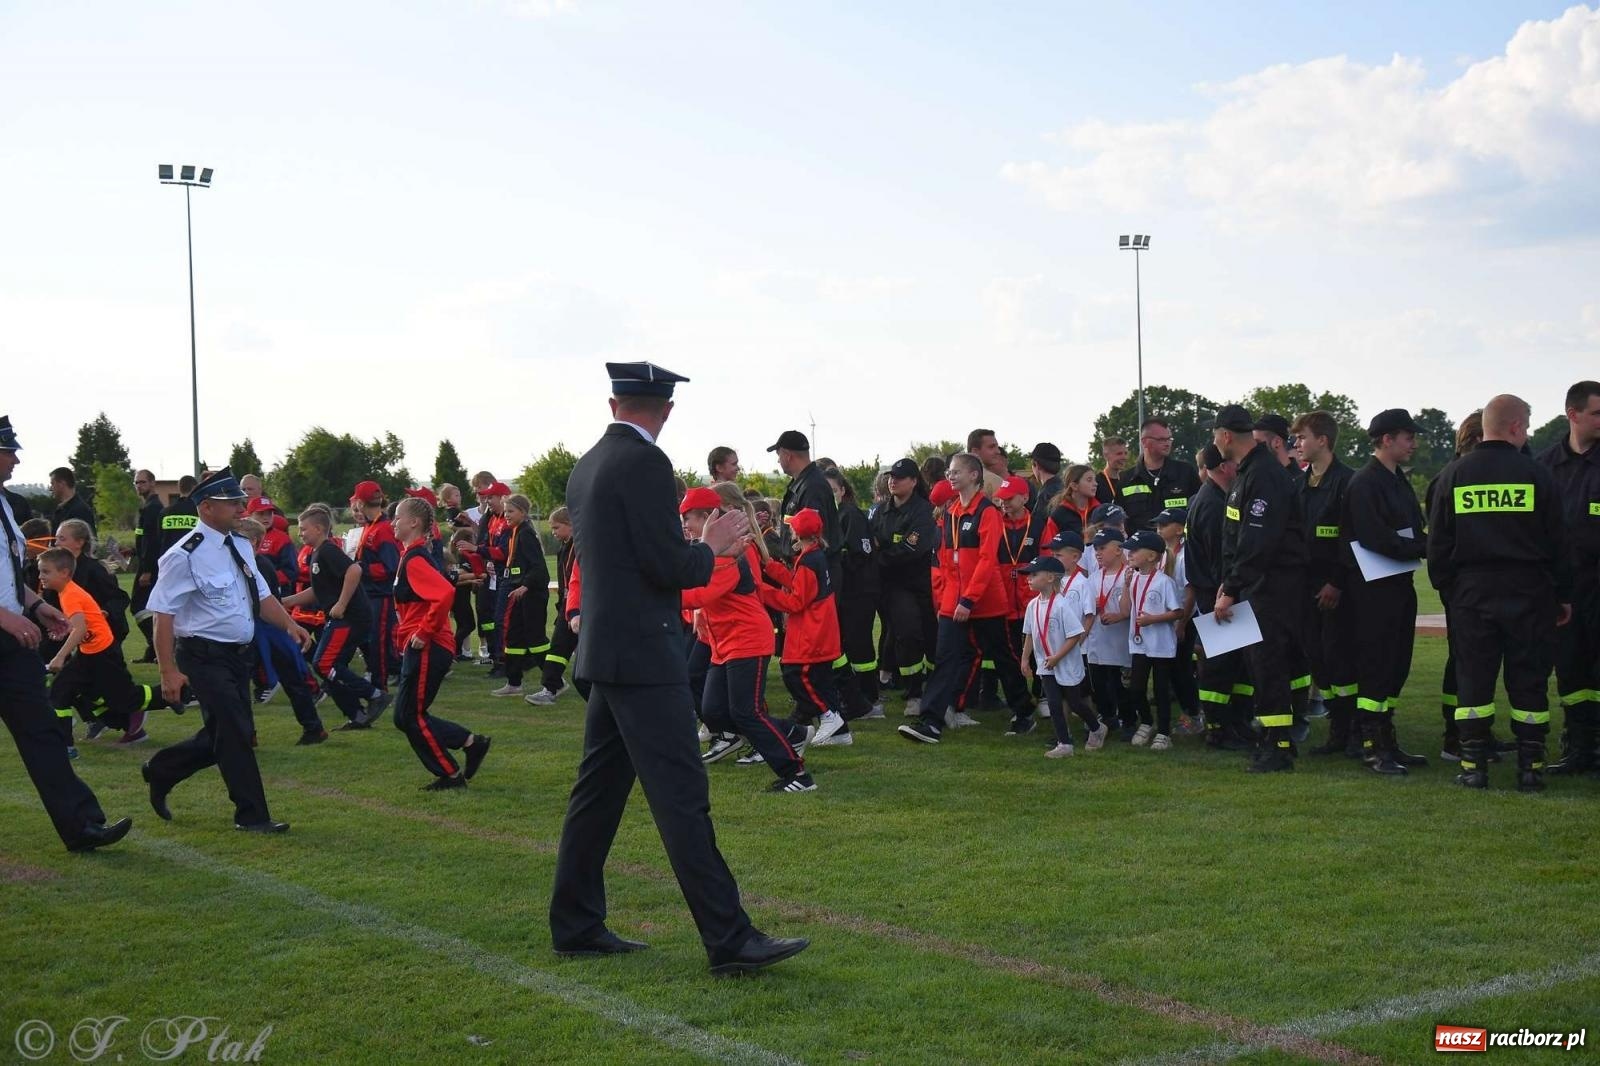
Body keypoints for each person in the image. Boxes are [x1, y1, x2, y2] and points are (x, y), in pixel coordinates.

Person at [549, 362, 808, 976]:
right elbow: (666, 566)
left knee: (597, 795)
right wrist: (712, 548)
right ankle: (729, 938)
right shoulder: (645, 463)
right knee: (682, 798)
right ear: (666, 409)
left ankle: (576, 922)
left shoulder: (587, 465)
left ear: (614, 404)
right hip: (644, 654)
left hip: (609, 652)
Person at [140, 467, 312, 832]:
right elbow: (163, 615)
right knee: (235, 734)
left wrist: (290, 624)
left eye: (240, 501)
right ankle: (252, 816)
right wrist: (168, 671)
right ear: (206, 507)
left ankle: (162, 769)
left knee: (230, 732)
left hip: (237, 656)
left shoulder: (240, 545)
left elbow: (261, 594)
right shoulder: (184, 555)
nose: (240, 509)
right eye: (231, 503)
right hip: (203, 656)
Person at [0, 415, 132, 852]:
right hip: (7, 629)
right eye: (8, 451)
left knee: (43, 732)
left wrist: (37, 607)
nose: (16, 460)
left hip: (12, 642)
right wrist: (7, 617)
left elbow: (7, 575)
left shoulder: (6, 506)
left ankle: (82, 827)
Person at [1427, 394, 1569, 791]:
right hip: (1530, 591)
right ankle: (1530, 767)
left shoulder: (1454, 475)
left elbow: (1438, 545)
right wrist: (1563, 595)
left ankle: (1473, 766)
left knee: (1473, 681)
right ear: (1516, 426)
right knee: (1529, 681)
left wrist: (1451, 591)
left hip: (1472, 593)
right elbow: (1559, 542)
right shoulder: (1538, 474)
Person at [684, 486, 816, 786]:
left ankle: (796, 774)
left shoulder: (730, 556)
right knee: (713, 710)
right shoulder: (710, 553)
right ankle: (793, 733)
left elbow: (696, 595)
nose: (685, 525)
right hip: (723, 645)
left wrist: (653, 595)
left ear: (707, 518)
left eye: (689, 518)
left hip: (747, 641)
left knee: (747, 712)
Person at [898, 453, 1033, 744]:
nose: (951, 475)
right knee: (945, 658)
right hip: (955, 601)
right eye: (949, 471)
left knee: (1003, 657)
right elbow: (947, 561)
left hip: (986, 602)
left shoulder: (988, 512)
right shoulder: (951, 512)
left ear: (974, 475)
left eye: (957, 471)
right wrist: (946, 602)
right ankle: (931, 722)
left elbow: (987, 560)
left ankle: (1023, 711)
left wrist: (969, 599)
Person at [1211, 405, 1309, 774]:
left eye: (1215, 435)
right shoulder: (1248, 473)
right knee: (1259, 666)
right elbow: (1237, 539)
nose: (1214, 442)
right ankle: (1271, 738)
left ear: (1225, 436)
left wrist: (1231, 587)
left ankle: (1279, 747)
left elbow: (1257, 542)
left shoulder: (1264, 475)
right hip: (1255, 585)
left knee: (1270, 665)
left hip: (1271, 588)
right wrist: (1230, 581)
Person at [1342, 409, 1429, 775]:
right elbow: (1374, 537)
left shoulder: (1397, 479)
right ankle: (1372, 746)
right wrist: (1424, 547)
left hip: (1399, 585)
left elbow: (1411, 526)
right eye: (1408, 437)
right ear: (1387, 439)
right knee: (1376, 666)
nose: (1414, 444)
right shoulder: (1365, 482)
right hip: (1373, 592)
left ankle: (1387, 740)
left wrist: (1421, 542)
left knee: (1397, 664)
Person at [390, 495, 492, 789]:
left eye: (398, 517)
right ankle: (470, 743)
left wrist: (423, 633)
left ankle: (450, 773)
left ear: (413, 522)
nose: (393, 522)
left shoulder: (415, 558)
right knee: (405, 716)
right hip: (422, 644)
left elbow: (444, 594)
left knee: (410, 715)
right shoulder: (412, 555)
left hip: (428, 645)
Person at [39, 545, 177, 748]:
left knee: (126, 698)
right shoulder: (67, 592)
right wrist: (65, 630)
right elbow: (85, 622)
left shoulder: (70, 595)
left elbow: (81, 628)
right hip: (90, 653)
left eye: (45, 571)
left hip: (103, 653)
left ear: (64, 572)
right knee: (62, 692)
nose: (40, 576)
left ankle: (179, 692)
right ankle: (65, 745)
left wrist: (60, 656)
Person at [1536, 380, 1600, 775]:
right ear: (1572, 415)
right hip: (1564, 592)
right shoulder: (1544, 468)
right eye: (1597, 413)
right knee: (1572, 671)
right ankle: (1579, 747)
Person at [282, 508, 390, 730]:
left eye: (303, 529)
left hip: (350, 618)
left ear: (319, 528)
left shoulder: (328, 550)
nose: (299, 533)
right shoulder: (316, 553)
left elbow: (354, 571)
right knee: (330, 666)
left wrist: (341, 603)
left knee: (324, 664)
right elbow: (319, 590)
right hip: (345, 617)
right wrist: (286, 601)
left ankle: (375, 695)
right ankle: (357, 715)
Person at [1293, 412, 1360, 758]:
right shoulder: (1300, 485)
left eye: (1302, 437)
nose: (1297, 444)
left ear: (1322, 440)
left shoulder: (1349, 482)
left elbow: (1352, 540)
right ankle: (1338, 728)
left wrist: (1336, 582)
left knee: (1341, 659)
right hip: (1306, 588)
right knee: (1317, 659)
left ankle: (1354, 731)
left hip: (1337, 590)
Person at [762, 507, 851, 747]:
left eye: (792, 526)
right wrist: (770, 567)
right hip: (821, 629)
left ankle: (828, 716)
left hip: (813, 631)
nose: (789, 529)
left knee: (796, 675)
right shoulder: (813, 555)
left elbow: (796, 601)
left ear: (798, 533)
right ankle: (840, 731)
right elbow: (797, 582)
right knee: (821, 681)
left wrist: (763, 591)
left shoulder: (810, 560)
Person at [236, 518, 326, 746]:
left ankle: (312, 727)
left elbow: (266, 601)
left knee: (290, 678)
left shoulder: (258, 565)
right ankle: (247, 733)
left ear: (253, 541)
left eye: (238, 538)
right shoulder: (252, 563)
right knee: (245, 680)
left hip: (268, 628)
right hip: (261, 627)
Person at [1019, 553, 1105, 757]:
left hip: (1065, 662)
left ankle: (1097, 727)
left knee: (1075, 703)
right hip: (1046, 664)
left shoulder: (1061, 605)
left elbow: (1075, 635)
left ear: (1050, 578)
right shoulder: (1032, 605)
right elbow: (1029, 634)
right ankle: (1064, 744)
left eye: (1034, 574)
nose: (1029, 578)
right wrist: (1025, 658)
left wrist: (1058, 657)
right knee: (1054, 703)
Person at [872, 458, 937, 717]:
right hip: (894, 585)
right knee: (907, 633)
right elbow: (872, 541)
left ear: (913, 481)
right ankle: (913, 693)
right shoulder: (880, 511)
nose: (893, 481)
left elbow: (913, 548)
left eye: (899, 477)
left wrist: (883, 554)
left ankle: (933, 688)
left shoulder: (924, 511)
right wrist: (885, 552)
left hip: (922, 583)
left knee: (930, 635)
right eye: (891, 477)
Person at [824, 467, 880, 715]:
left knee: (860, 645)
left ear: (842, 490)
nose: (829, 495)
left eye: (833, 490)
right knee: (845, 644)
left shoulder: (850, 515)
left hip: (858, 591)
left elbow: (861, 553)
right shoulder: (831, 515)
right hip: (842, 591)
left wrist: (835, 564)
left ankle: (869, 697)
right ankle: (852, 696)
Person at [1123, 529, 1183, 750]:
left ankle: (1164, 732)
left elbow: (1177, 612)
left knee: (1160, 690)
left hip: (1161, 645)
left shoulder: (1164, 582)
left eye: (1135, 550)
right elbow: (1126, 608)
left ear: (1151, 556)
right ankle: (1147, 722)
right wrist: (1126, 586)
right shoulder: (1133, 578)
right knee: (1136, 688)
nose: (1129, 553)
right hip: (1139, 643)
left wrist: (1153, 619)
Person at [491, 494, 551, 697]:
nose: (506, 515)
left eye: (511, 511)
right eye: (505, 511)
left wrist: (525, 586)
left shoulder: (526, 534)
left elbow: (538, 568)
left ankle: (555, 682)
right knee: (513, 637)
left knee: (536, 639)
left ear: (523, 513)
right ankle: (514, 683)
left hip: (531, 594)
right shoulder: (514, 533)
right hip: (517, 592)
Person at [1085, 529, 1134, 740]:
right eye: (1096, 549)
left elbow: (1133, 607)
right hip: (1097, 642)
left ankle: (1128, 720)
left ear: (1118, 549)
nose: (1098, 553)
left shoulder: (1128, 576)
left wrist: (1120, 615)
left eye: (1103, 548)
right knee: (1099, 684)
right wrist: (1091, 607)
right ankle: (1107, 717)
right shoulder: (1093, 578)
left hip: (1120, 644)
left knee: (1120, 685)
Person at [530, 506, 579, 705]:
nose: (553, 532)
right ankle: (551, 687)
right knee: (559, 646)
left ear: (571, 525)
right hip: (569, 605)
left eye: (556, 528)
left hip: (580, 605)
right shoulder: (565, 548)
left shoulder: (581, 547)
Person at [1117, 419, 1201, 530]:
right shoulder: (1126, 479)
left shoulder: (1185, 472)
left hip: (1178, 540)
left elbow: (1199, 511)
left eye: (1169, 439)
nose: (1167, 443)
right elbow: (1119, 521)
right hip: (1139, 540)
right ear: (1144, 442)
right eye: (1161, 439)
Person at [131, 469, 165, 660]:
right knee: (148, 607)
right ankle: (153, 650)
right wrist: (131, 551)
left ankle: (157, 647)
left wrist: (147, 570)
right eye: (136, 482)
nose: (139, 486)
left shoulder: (153, 508)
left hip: (149, 568)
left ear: (153, 483)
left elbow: (152, 542)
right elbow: (143, 539)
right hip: (147, 565)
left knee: (138, 606)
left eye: (142, 482)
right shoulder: (148, 507)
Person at [157, 475, 199, 552]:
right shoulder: (200, 512)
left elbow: (159, 540)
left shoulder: (165, 513)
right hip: (191, 557)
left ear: (179, 488)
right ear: (195, 488)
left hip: (169, 557)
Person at [49, 467, 96, 534]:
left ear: (62, 484)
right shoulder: (61, 510)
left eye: (52, 484)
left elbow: (88, 538)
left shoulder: (80, 511)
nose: (50, 488)